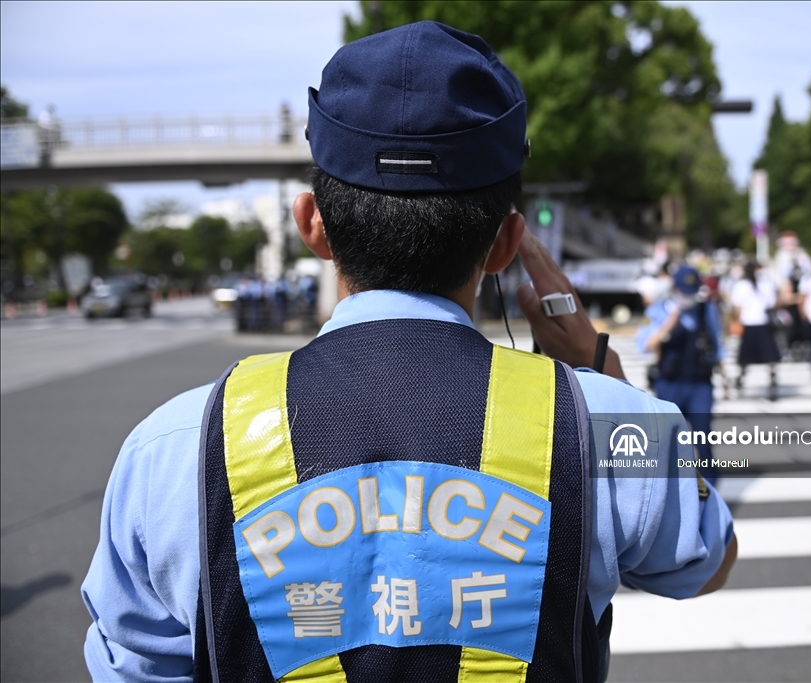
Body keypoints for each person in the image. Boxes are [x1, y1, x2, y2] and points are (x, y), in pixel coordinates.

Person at [80, 22, 736, 683]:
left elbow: (137, 666)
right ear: (508, 244)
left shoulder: (174, 444)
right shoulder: (603, 420)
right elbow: (709, 557)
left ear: (312, 224)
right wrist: (600, 369)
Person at [638, 266, 726, 485]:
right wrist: (671, 320)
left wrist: (724, 378)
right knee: (666, 441)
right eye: (684, 291)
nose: (689, 296)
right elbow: (646, 344)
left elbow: (716, 345)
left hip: (699, 384)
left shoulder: (706, 309)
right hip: (670, 383)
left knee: (703, 438)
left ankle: (710, 491)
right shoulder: (659, 310)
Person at [730, 260, 780, 399]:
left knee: (746, 355)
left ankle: (741, 377)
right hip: (763, 322)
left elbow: (737, 306)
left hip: (748, 323)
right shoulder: (766, 284)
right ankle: (772, 378)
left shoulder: (741, 285)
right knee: (770, 355)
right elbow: (772, 303)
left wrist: (737, 321)